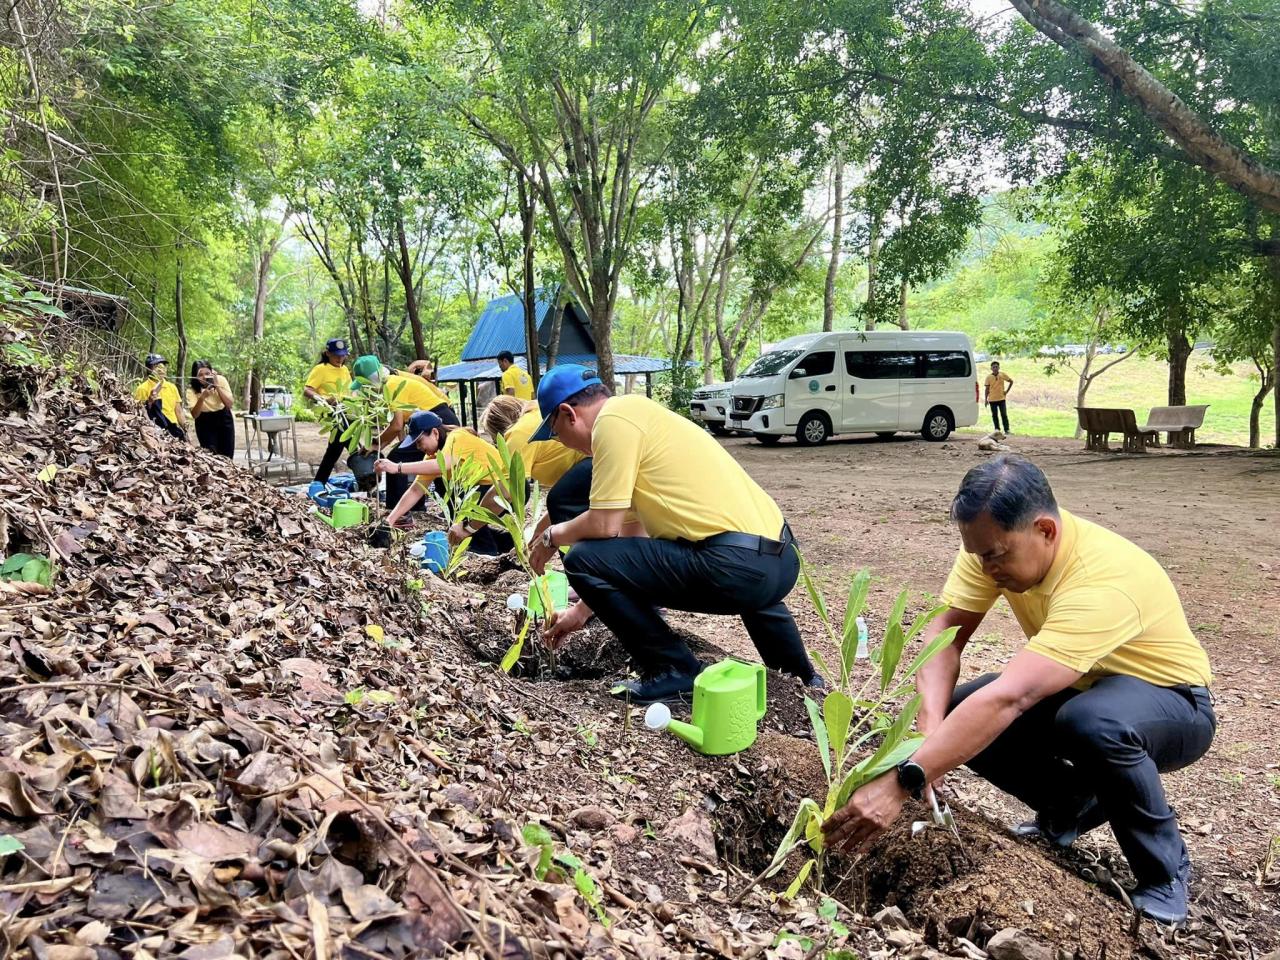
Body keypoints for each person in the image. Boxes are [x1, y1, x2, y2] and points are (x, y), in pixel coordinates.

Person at [822, 456, 1214, 927]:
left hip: (1172, 703)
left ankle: (1165, 873)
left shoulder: (1104, 579)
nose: (986, 568)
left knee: (1090, 722)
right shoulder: (991, 544)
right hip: (1084, 685)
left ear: (1046, 529)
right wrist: (927, 732)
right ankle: (1071, 805)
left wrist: (903, 781)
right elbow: (945, 632)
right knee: (956, 709)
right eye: (977, 554)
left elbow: (1013, 696)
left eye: (996, 555)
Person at [523, 364, 817, 702]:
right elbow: (631, 544)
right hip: (778, 562)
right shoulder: (641, 417)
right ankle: (802, 680)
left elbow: (604, 526)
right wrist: (581, 612)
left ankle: (672, 670)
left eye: (557, 434)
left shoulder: (612, 423)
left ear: (567, 413)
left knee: (582, 558)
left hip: (736, 566)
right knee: (598, 559)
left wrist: (551, 536)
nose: (566, 445)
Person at [374, 411, 513, 554]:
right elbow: (416, 490)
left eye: (419, 442)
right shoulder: (434, 457)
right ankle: (506, 543)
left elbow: (443, 465)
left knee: (458, 498)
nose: (419, 448)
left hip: (506, 490)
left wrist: (397, 467)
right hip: (487, 494)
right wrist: (389, 522)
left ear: (435, 433)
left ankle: (484, 551)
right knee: (450, 494)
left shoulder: (456, 437)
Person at [350, 354, 460, 510]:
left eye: (365, 385)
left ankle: (397, 509)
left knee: (397, 458)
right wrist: (378, 445)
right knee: (435, 467)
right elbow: (399, 427)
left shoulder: (391, 386)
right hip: (431, 421)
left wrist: (375, 444)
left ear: (371, 380)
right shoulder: (392, 383)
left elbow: (396, 425)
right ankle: (427, 508)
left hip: (437, 421)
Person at [304, 338, 353, 483]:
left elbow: (350, 390)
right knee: (349, 446)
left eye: (343, 355)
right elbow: (307, 390)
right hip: (332, 414)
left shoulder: (344, 370)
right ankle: (366, 478)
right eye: (336, 355)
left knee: (335, 449)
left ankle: (319, 482)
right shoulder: (321, 369)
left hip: (347, 412)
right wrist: (325, 400)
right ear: (327, 353)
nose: (340, 358)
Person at [187, 359, 236, 457]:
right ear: (195, 376)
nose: (204, 377)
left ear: (212, 372)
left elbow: (229, 404)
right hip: (204, 421)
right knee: (211, 454)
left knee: (227, 453)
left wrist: (217, 385)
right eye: (200, 374)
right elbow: (195, 414)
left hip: (223, 416)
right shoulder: (191, 389)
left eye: (207, 373)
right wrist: (202, 398)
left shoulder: (220, 380)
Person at [132, 354, 186, 441]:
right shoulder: (142, 389)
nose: (161, 369)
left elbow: (178, 411)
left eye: (163, 365)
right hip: (156, 430)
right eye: (156, 366)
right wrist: (149, 402)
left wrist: (185, 427)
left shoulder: (172, 387)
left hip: (174, 429)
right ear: (149, 369)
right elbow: (139, 413)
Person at [984, 361, 1013, 434]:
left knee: (1004, 414)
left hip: (1001, 398)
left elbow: (1011, 381)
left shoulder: (1002, 375)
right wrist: (986, 399)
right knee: (994, 415)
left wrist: (1006, 391)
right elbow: (987, 389)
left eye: (996, 367)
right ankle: (997, 430)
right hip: (992, 399)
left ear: (999, 367)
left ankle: (1007, 430)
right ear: (991, 368)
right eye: (993, 367)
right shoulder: (988, 377)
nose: (995, 368)